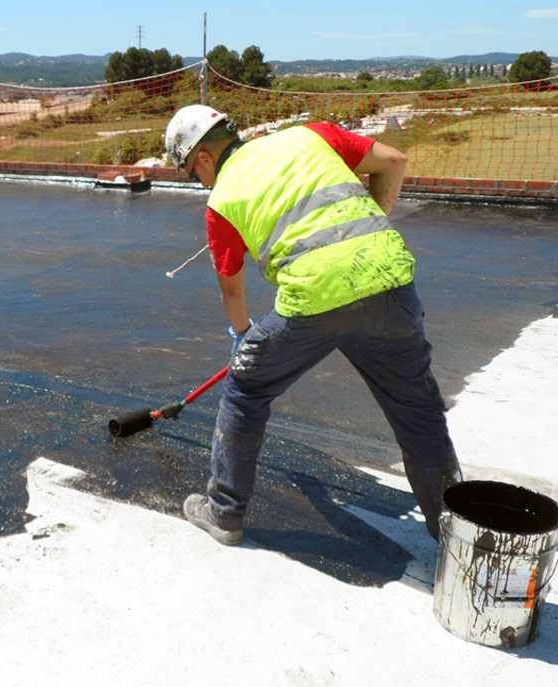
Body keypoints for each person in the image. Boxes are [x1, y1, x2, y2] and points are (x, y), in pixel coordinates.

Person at [164, 104, 462, 545]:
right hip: (390, 283)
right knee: (419, 416)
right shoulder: (310, 136)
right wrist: (366, 231)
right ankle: (458, 541)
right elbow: (394, 161)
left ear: (204, 156)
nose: (198, 181)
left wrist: (243, 339)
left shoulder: (222, 200)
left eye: (192, 171)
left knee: (246, 392)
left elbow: (233, 292)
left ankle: (224, 514)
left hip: (314, 302)